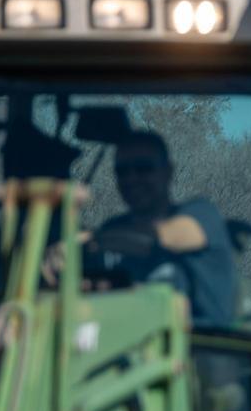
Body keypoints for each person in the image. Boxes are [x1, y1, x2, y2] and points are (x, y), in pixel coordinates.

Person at [71, 131, 236, 327]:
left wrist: (89, 240)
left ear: (168, 171)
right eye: (122, 171)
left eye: (143, 168)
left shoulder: (202, 214)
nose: (131, 179)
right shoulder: (112, 228)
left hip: (204, 349)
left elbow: (165, 236)